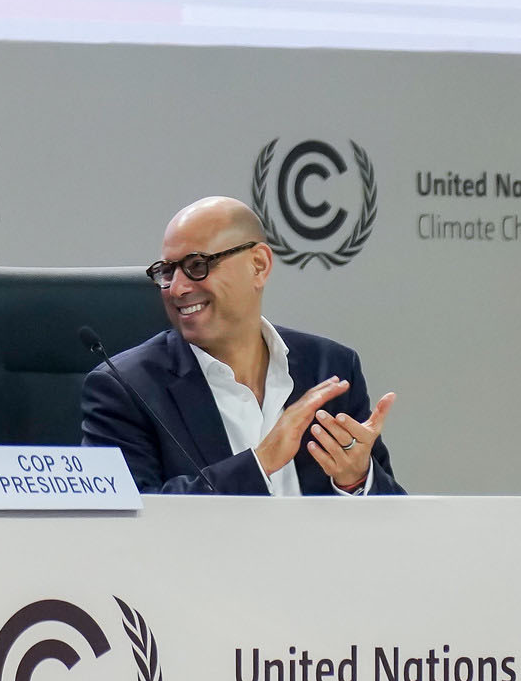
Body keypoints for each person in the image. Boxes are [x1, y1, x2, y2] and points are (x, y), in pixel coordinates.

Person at [81, 196, 402, 496]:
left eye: (197, 265)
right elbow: (129, 517)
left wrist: (358, 480)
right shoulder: (126, 388)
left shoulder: (330, 368)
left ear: (259, 265)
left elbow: (398, 523)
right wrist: (260, 464)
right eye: (166, 271)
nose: (177, 289)